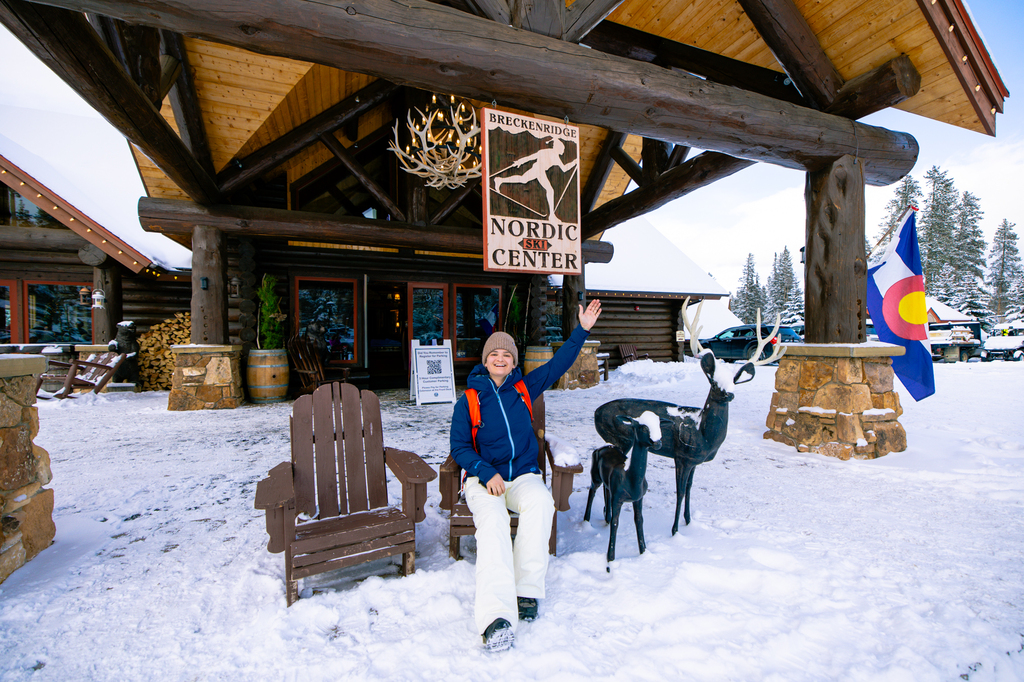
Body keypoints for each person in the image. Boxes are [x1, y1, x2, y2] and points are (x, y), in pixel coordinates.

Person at [449, 299, 602, 652]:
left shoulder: (524, 389)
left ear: (514, 362)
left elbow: (559, 363)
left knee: (540, 504)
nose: (500, 360)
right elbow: (459, 448)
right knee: (494, 526)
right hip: (484, 480)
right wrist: (485, 472)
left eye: (507, 356)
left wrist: (582, 330)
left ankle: (526, 591)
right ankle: (495, 618)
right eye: (494, 355)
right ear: (485, 361)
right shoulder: (469, 400)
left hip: (522, 475)